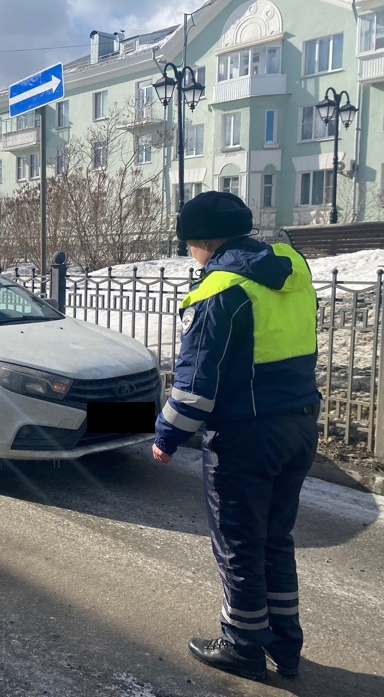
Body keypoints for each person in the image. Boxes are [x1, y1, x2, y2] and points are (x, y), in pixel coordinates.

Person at [152, 191, 320, 682]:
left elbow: (196, 387)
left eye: (189, 245)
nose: (190, 255)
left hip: (246, 435)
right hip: (299, 424)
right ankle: (284, 646)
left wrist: (167, 436)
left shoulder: (220, 288)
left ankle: (243, 644)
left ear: (204, 241)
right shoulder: (291, 266)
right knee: (275, 539)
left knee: (239, 544)